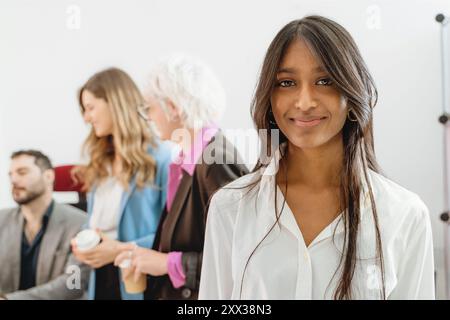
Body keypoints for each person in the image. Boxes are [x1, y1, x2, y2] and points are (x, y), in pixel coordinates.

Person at [199, 15, 435, 300]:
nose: (305, 102)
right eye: (286, 83)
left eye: (324, 81)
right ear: (270, 99)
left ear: (352, 95)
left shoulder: (404, 215)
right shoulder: (231, 207)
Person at [114, 55, 248, 299]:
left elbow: (239, 259)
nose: (149, 118)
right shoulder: (188, 160)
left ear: (173, 108)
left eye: (149, 108)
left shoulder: (215, 160)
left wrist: (166, 264)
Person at [70, 67, 172, 300]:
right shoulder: (101, 161)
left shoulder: (163, 158)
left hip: (140, 277)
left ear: (115, 103)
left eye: (90, 108)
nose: (86, 118)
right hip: (102, 277)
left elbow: (172, 235)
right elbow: (98, 223)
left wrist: (118, 249)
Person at [0, 150, 89, 300]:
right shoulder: (2, 220)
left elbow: (74, 284)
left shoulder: (81, 224)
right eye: (11, 175)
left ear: (49, 176)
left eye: (22, 172)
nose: (14, 180)